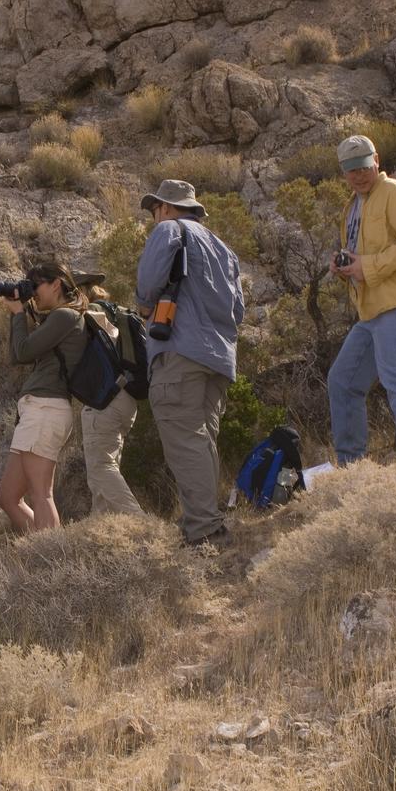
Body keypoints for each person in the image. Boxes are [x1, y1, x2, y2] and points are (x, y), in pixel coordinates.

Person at [136, 179, 244, 546]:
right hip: (218, 357)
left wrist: (145, 305)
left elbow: (148, 287)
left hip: (179, 351)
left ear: (165, 207)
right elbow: (239, 310)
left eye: (154, 210)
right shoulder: (224, 249)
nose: (154, 217)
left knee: (184, 441)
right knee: (202, 440)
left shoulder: (168, 229)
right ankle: (206, 521)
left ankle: (204, 530)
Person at [328, 134, 396, 478]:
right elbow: (362, 255)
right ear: (343, 172)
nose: (359, 175)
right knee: (342, 381)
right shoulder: (352, 205)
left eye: (364, 167)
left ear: (376, 160)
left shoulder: (394, 191)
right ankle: (352, 471)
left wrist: (368, 266)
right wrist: (345, 265)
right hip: (371, 309)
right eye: (351, 170)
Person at [0, 262, 88, 533]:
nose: (32, 292)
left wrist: (17, 314)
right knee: (8, 497)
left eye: (35, 286)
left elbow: (22, 352)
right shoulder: (61, 317)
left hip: (46, 408)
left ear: (56, 284)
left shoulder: (65, 316)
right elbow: (22, 353)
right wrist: (23, 310)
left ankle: (50, 558)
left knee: (41, 494)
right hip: (38, 409)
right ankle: (41, 547)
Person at [80, 282, 144, 517]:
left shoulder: (91, 314)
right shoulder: (120, 312)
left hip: (106, 400)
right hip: (127, 399)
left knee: (101, 468)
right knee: (104, 474)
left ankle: (141, 522)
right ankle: (102, 528)